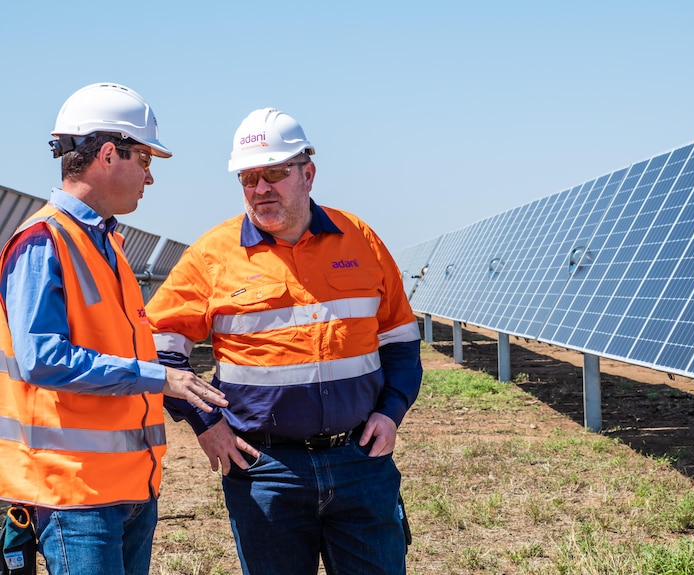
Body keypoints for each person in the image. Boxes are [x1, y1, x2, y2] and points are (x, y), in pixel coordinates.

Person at [145, 107, 423, 574]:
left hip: (360, 460)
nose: (259, 189)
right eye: (248, 178)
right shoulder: (212, 255)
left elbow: (400, 338)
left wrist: (391, 412)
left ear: (307, 173)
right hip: (264, 469)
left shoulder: (360, 240)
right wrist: (204, 422)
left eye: (273, 173)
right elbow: (159, 348)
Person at [0, 82, 227, 575]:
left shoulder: (109, 245)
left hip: (129, 488)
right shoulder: (43, 242)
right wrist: (162, 379)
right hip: (76, 494)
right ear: (107, 154)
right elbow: (42, 358)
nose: (149, 178)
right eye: (144, 160)